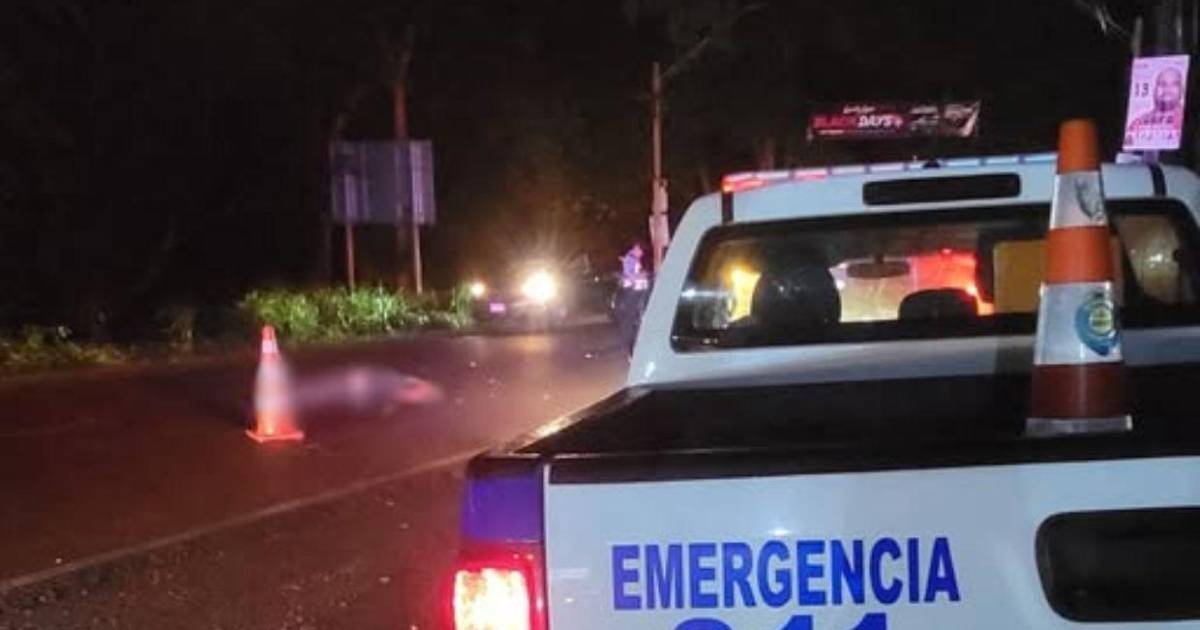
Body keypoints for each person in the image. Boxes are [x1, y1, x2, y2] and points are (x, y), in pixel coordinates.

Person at [1127, 66, 1186, 137]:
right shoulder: (1138, 123)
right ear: (1155, 90)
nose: (1167, 89)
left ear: (1181, 90)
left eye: (1174, 84)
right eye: (1162, 84)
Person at [615, 241, 651, 356]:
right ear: (636, 248)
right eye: (641, 251)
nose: (642, 254)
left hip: (636, 290)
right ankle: (630, 345)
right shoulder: (630, 259)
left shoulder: (634, 259)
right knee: (630, 317)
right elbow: (629, 275)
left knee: (634, 316)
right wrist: (641, 276)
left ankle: (632, 343)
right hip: (631, 292)